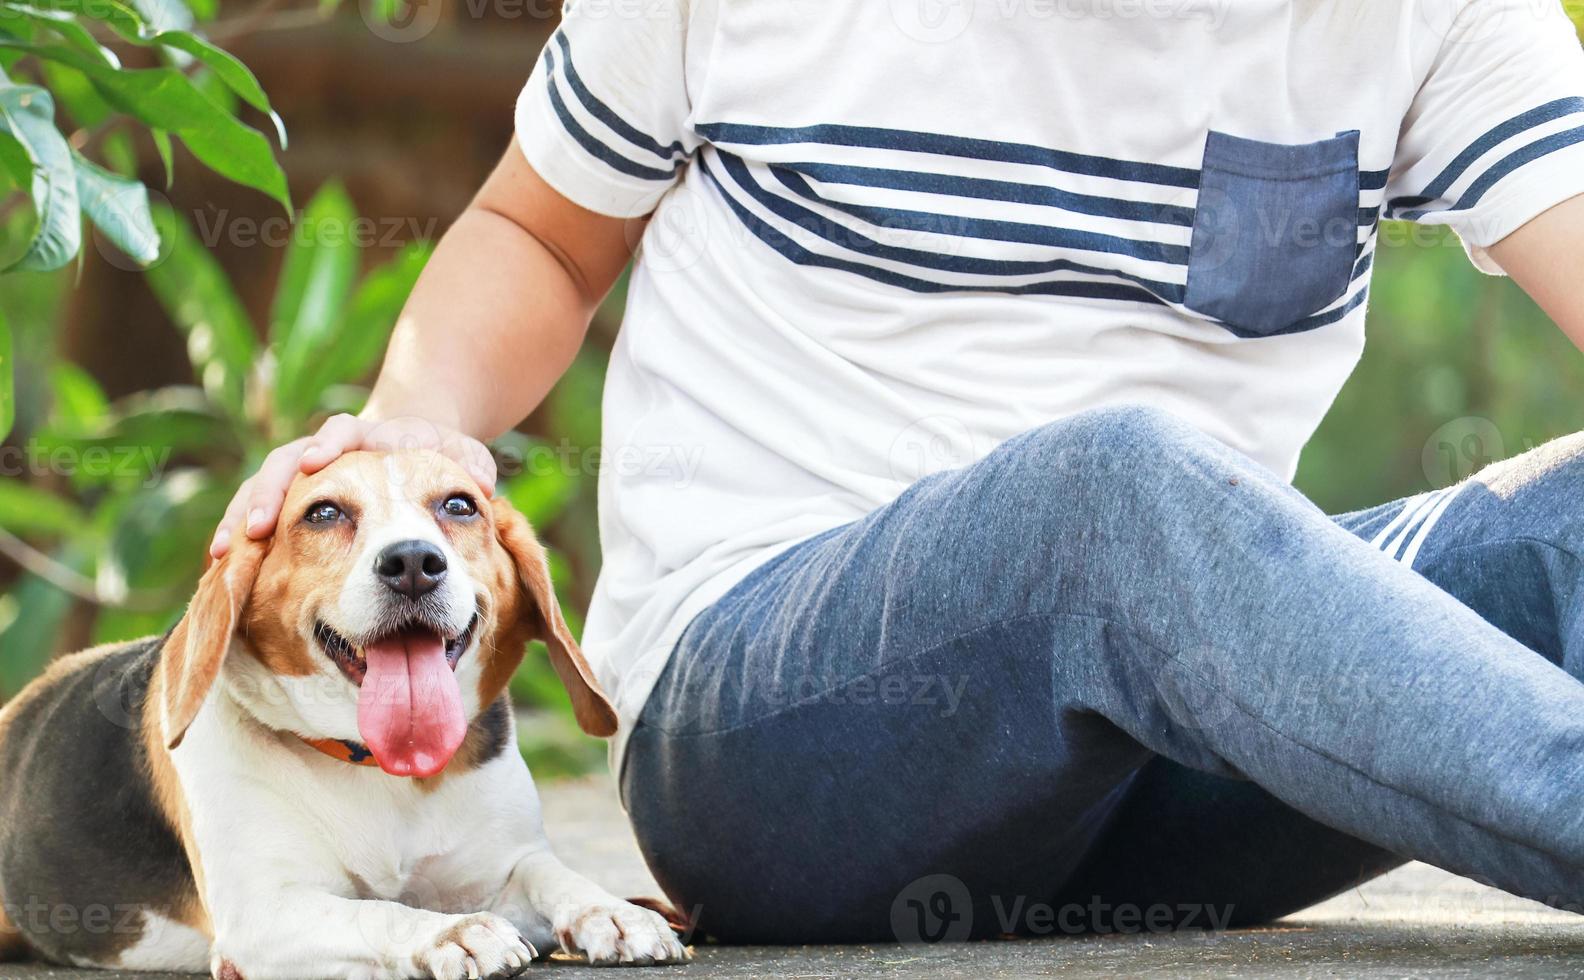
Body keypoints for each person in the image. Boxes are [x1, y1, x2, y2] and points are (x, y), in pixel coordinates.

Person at [214, 0, 1584, 941]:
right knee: (1111, 494)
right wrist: (408, 432)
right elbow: (546, 234)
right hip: (770, 725)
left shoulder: (1433, 13)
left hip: (1177, 763)